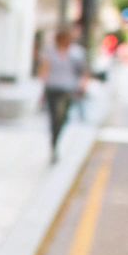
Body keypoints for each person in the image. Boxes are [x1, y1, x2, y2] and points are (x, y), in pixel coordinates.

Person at [37, 27, 89, 163]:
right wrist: (42, 86)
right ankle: (54, 144)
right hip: (52, 88)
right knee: (54, 117)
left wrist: (83, 85)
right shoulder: (50, 51)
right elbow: (45, 69)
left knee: (62, 117)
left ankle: (55, 139)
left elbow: (83, 71)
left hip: (67, 90)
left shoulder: (77, 53)